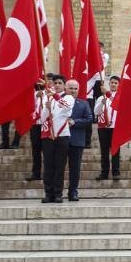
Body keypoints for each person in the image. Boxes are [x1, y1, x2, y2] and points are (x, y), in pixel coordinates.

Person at [40, 74, 74, 203]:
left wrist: (55, 96)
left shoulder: (69, 97)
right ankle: (48, 193)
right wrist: (47, 109)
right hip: (48, 135)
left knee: (60, 165)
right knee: (48, 165)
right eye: (56, 83)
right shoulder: (48, 98)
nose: (57, 85)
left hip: (62, 135)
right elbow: (43, 118)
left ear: (64, 85)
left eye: (60, 83)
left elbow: (67, 108)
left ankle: (58, 193)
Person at [65, 80, 92, 201]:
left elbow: (89, 119)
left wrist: (75, 122)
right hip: (61, 140)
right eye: (71, 88)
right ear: (66, 89)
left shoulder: (83, 104)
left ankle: (73, 192)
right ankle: (56, 191)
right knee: (58, 168)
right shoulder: (58, 102)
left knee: (75, 169)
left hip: (77, 140)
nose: (73, 91)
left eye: (75, 88)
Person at [94, 76, 120, 180]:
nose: (113, 84)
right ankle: (104, 172)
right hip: (103, 127)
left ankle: (115, 172)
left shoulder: (120, 96)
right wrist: (101, 103)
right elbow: (96, 112)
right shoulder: (101, 97)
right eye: (112, 82)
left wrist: (108, 96)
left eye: (115, 83)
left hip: (115, 127)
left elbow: (118, 106)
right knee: (104, 151)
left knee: (115, 151)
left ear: (119, 85)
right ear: (109, 84)